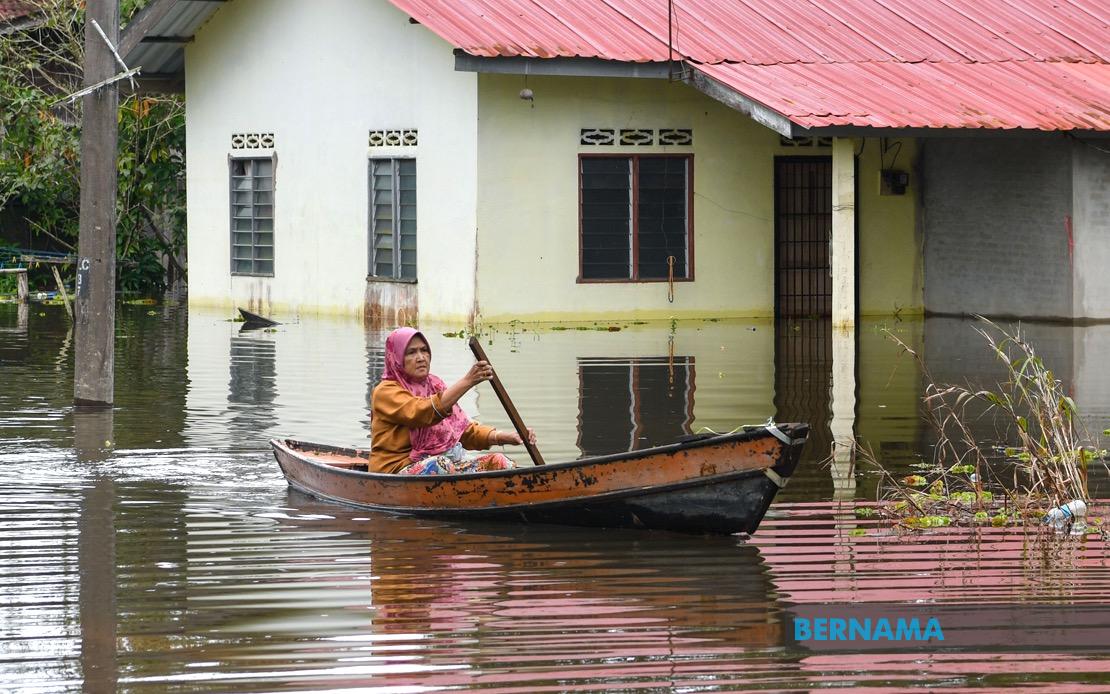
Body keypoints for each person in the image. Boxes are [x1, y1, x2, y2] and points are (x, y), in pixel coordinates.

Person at [370, 327, 536, 475]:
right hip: (396, 469)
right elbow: (421, 412)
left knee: (499, 462)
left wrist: (507, 437)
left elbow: (461, 430)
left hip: (442, 464)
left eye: (424, 350)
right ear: (396, 358)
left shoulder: (435, 385)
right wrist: (467, 382)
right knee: (440, 465)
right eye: (411, 352)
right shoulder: (385, 392)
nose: (421, 358)